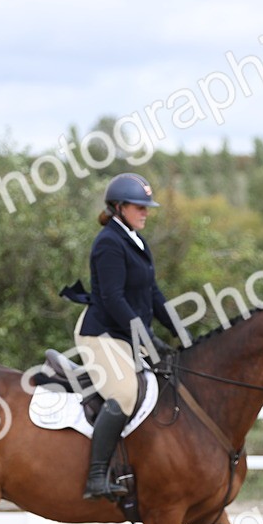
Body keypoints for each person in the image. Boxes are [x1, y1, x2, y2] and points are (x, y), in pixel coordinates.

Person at [65, 173, 181, 500]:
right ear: (118, 207)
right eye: (139, 206)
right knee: (126, 393)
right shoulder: (108, 243)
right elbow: (114, 299)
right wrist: (146, 338)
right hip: (101, 333)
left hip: (125, 333)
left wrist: (178, 330)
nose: (146, 212)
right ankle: (96, 477)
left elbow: (152, 293)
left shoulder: (136, 240)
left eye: (147, 207)